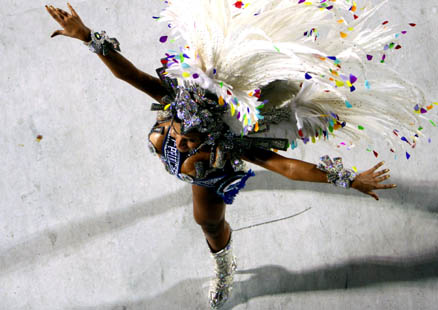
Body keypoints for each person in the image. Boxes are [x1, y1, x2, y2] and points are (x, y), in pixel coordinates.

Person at [45, 2, 407, 309]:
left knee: (208, 223)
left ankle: (224, 265)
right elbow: (132, 75)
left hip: (206, 178)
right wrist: (86, 35)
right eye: (178, 131)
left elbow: (287, 167)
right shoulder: (176, 103)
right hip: (195, 161)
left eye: (191, 138)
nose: (182, 141)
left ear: (214, 133)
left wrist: (348, 179)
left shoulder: (228, 142)